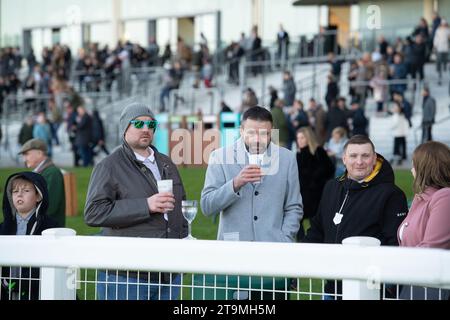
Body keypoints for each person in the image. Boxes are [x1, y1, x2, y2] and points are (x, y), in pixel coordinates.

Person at [84, 102, 187, 300]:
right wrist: (146, 205)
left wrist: (184, 238)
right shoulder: (109, 166)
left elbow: (181, 207)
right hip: (128, 275)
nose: (146, 129)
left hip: (169, 271)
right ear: (125, 128)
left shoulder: (166, 162)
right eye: (138, 124)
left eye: (151, 124)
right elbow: (94, 212)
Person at [201, 106, 302, 299]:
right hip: (233, 257)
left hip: (274, 257)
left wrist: (284, 239)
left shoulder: (287, 158)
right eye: (251, 132)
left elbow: (294, 206)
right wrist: (235, 184)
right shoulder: (220, 157)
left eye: (263, 133)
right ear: (241, 131)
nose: (257, 139)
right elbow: (207, 206)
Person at [303, 135, 408, 299]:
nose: (359, 162)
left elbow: (395, 245)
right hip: (331, 288)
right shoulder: (332, 187)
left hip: (369, 290)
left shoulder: (391, 194)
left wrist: (389, 289)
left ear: (374, 159)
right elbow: (318, 228)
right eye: (353, 156)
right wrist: (296, 259)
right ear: (344, 159)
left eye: (365, 156)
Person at [398, 141, 450, 300]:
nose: (411, 168)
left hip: (433, 285)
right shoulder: (420, 198)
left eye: (414, 163)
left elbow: (432, 247)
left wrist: (392, 263)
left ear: (425, 167)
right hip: (414, 281)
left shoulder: (444, 196)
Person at [0, 172, 56, 300]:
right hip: (6, 292)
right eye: (15, 191)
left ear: (38, 196)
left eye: (26, 190)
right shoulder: (3, 227)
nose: (19, 194)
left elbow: (49, 262)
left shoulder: (49, 227)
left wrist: (20, 284)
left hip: (38, 292)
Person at [295, 127, 335, 240]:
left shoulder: (318, 151)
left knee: (315, 219)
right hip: (302, 192)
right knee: (298, 217)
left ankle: (314, 239)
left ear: (308, 138)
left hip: (317, 193)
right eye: (298, 138)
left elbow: (329, 169)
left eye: (302, 137)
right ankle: (303, 240)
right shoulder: (298, 154)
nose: (299, 140)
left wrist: (316, 181)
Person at [19, 138, 65, 227]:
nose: (24, 159)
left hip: (49, 230)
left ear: (39, 153)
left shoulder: (52, 173)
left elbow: (50, 206)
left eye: (27, 154)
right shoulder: (40, 173)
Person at [390, 101, 409, 166]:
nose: (394, 108)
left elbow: (394, 124)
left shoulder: (397, 115)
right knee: (401, 145)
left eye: (395, 107)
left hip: (398, 133)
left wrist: (391, 126)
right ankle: (402, 157)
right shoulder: (401, 115)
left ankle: (398, 158)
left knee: (397, 146)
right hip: (401, 133)